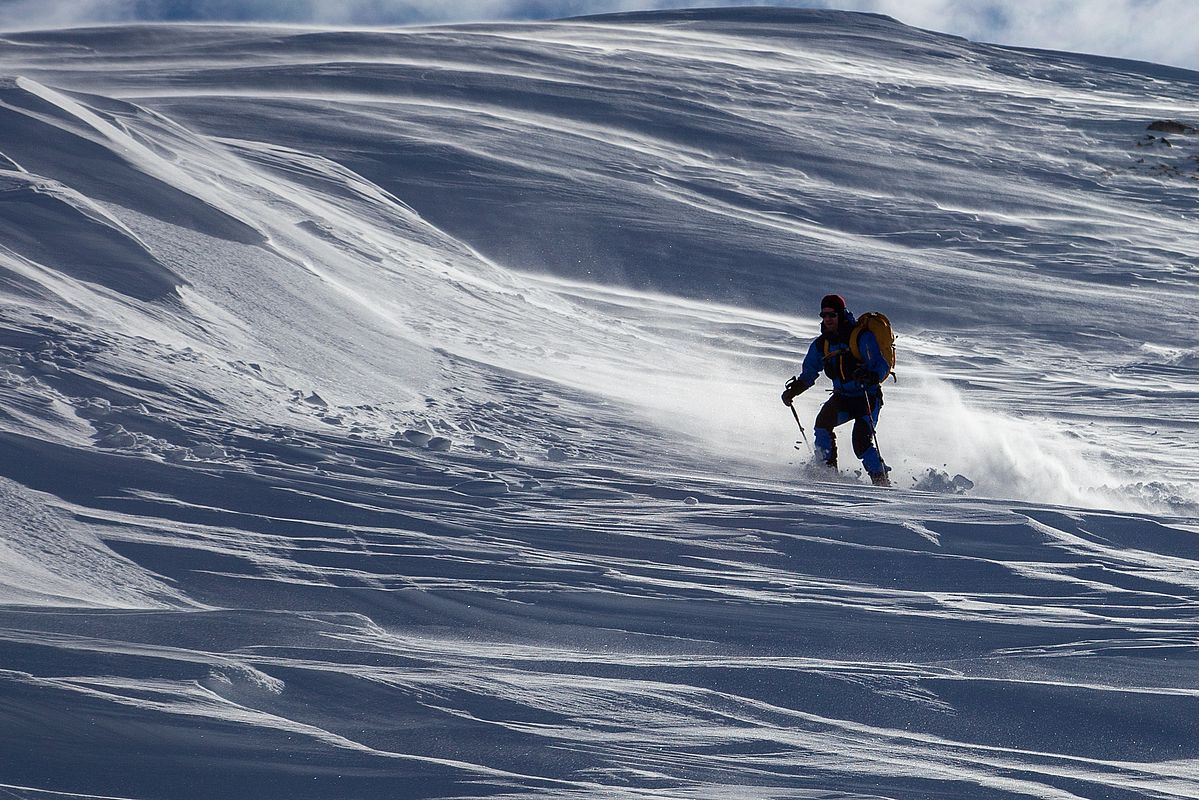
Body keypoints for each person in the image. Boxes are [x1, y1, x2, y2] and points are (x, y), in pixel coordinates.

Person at [781, 294, 892, 486]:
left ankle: (881, 481)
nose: (827, 319)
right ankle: (827, 476)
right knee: (822, 426)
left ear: (840, 314)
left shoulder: (861, 337)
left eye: (831, 314)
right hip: (843, 398)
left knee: (861, 442)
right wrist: (795, 390)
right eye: (823, 315)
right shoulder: (821, 344)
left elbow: (880, 365)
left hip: (867, 397)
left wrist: (870, 376)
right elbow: (809, 372)